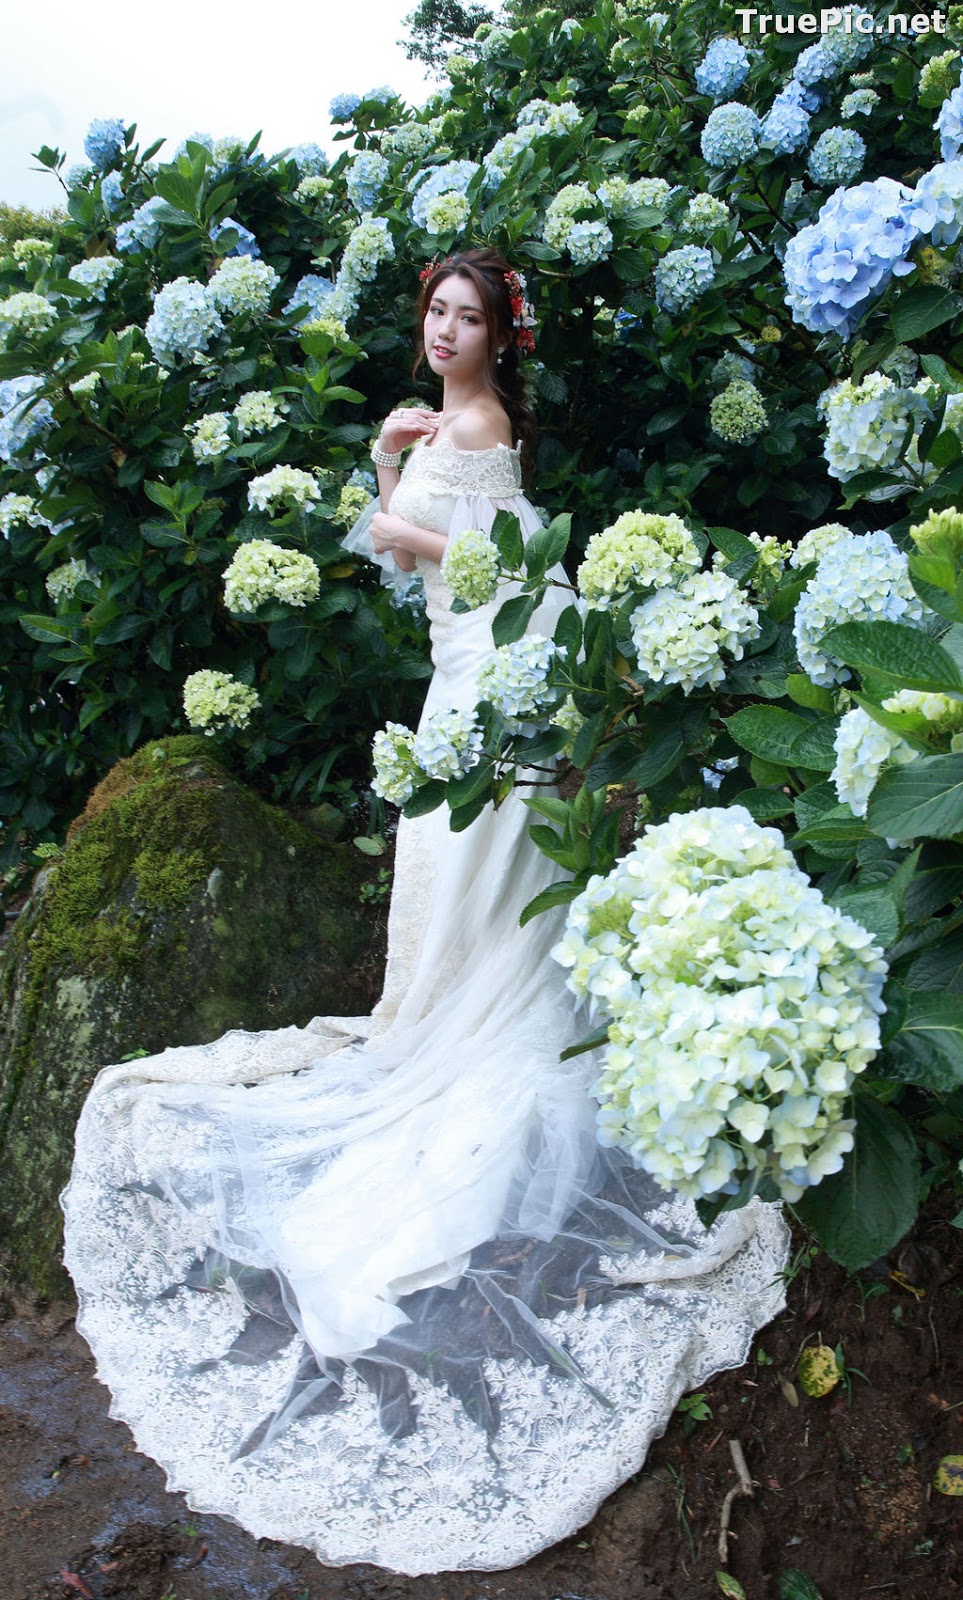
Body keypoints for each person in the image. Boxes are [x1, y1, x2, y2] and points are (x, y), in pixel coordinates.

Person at [62, 248, 788, 1576]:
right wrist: (396, 481)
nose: (447, 331)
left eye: (469, 316)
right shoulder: (449, 423)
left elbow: (480, 562)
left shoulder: (483, 421)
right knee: (457, 875)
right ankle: (450, 1013)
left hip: (494, 675)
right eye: (436, 313)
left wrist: (388, 499)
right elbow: (431, 577)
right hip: (471, 672)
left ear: (498, 341)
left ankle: (475, 1031)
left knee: (477, 869)